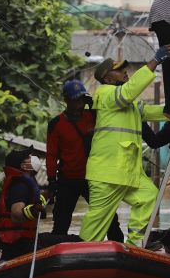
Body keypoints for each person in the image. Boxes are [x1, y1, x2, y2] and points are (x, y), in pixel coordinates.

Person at [79, 45, 170, 246]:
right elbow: (128, 93)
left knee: (149, 197)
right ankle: (81, 255)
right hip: (107, 174)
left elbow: (151, 110)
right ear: (107, 78)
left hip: (127, 172)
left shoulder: (127, 103)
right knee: (96, 224)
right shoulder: (105, 94)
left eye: (125, 69)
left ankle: (136, 244)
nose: (125, 72)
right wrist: (153, 62)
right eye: (119, 70)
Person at [46, 80, 125, 242]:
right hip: (68, 179)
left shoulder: (92, 117)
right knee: (61, 221)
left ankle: (118, 248)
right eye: (76, 100)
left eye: (82, 99)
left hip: (93, 178)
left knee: (109, 218)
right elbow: (51, 155)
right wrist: (51, 180)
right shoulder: (56, 124)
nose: (79, 104)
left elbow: (110, 121)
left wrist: (94, 108)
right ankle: (57, 253)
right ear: (67, 100)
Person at [0, 146, 81, 261]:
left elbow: (33, 203)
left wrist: (46, 197)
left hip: (23, 241)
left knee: (59, 238)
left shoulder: (24, 182)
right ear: (23, 166)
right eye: (28, 157)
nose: (32, 158)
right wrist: (33, 210)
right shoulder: (19, 186)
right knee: (75, 241)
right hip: (17, 245)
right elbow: (16, 214)